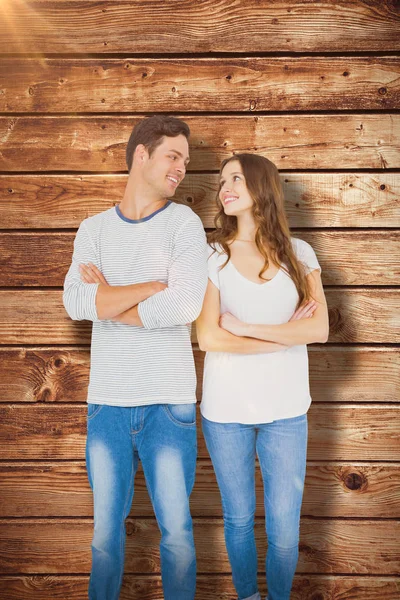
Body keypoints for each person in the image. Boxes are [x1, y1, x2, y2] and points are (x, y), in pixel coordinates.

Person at [63, 115, 208, 600]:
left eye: (185, 161)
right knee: (105, 536)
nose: (181, 168)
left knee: (178, 534)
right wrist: (148, 288)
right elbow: (77, 303)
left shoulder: (185, 224)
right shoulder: (94, 229)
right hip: (106, 403)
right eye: (174, 155)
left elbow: (185, 305)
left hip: (168, 403)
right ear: (141, 155)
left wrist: (112, 300)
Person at [196, 153, 329, 600]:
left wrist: (249, 327)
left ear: (261, 188)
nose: (225, 187)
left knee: (285, 529)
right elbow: (209, 339)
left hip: (287, 411)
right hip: (225, 411)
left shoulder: (299, 254)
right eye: (221, 181)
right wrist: (287, 337)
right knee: (237, 519)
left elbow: (320, 328)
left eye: (236, 178)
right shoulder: (212, 255)